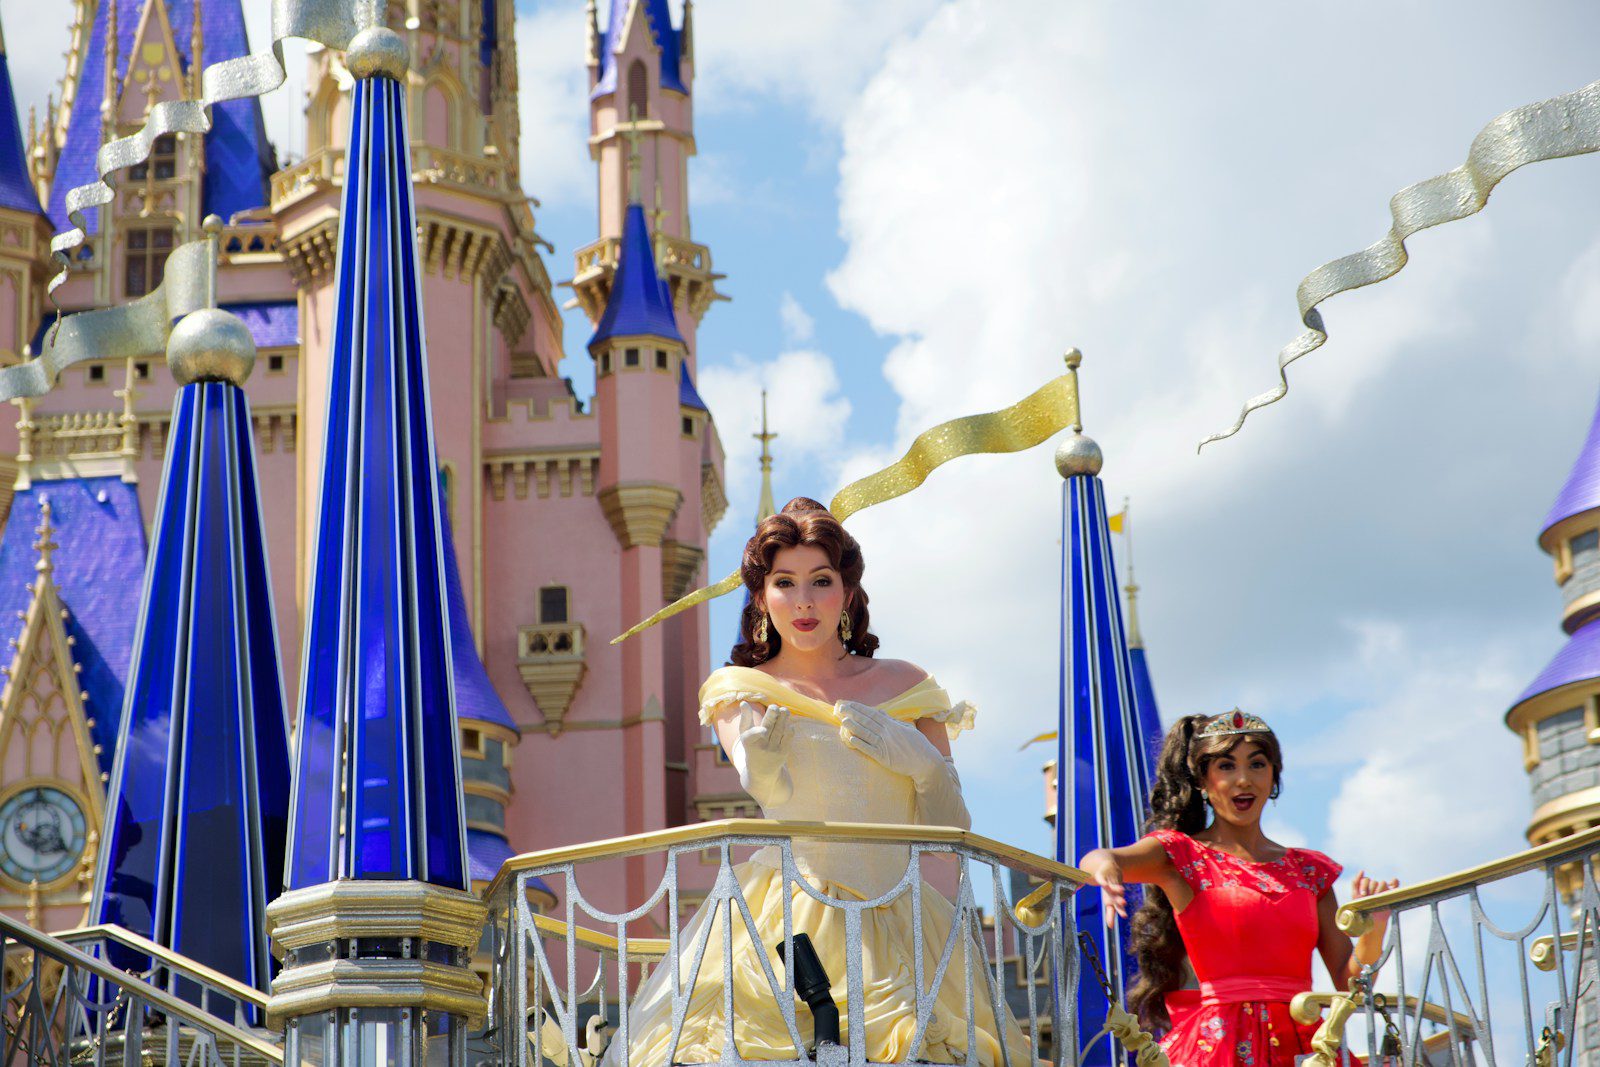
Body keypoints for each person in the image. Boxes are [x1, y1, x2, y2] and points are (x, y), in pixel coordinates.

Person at [604, 497, 1026, 1067]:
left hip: (905, 922)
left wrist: (924, 765)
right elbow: (771, 793)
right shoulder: (741, 689)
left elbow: (950, 830)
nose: (803, 601)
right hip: (790, 920)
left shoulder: (908, 686)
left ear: (847, 593)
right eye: (785, 583)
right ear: (761, 598)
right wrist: (760, 765)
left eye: (820, 581)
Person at [1078, 712, 1396, 1067]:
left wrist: (1373, 930)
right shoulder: (1182, 854)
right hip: (1218, 1048)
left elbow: (1349, 985)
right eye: (1226, 766)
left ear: (1274, 776)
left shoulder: (1310, 870)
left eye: (1257, 764)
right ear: (1202, 781)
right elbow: (1097, 858)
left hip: (1303, 1046)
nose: (1244, 779)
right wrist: (1106, 870)